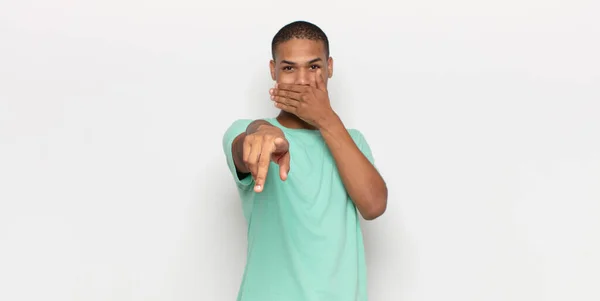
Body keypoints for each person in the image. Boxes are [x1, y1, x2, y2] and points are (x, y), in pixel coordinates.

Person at [222, 20, 388, 301]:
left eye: (314, 67)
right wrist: (260, 133)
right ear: (273, 71)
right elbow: (244, 145)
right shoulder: (250, 131)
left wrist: (326, 119)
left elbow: (373, 205)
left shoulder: (352, 141)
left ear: (329, 67)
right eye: (288, 68)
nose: (302, 80)